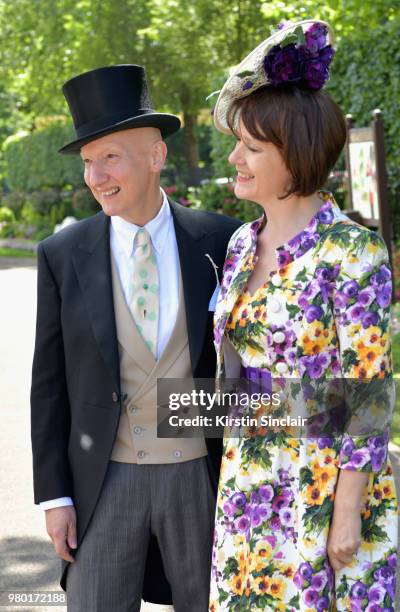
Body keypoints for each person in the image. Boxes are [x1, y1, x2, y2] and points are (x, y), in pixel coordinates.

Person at [30, 64, 241, 612]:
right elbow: (48, 384)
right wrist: (55, 496)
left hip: (200, 476)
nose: (95, 177)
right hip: (102, 480)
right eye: (87, 162)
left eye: (110, 157)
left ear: (156, 156)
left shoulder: (221, 240)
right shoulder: (62, 254)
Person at [208, 20, 397, 611]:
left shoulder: (352, 251)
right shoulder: (241, 244)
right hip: (248, 478)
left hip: (321, 484)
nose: (234, 157)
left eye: (251, 148)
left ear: (296, 157)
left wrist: (345, 514)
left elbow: (369, 395)